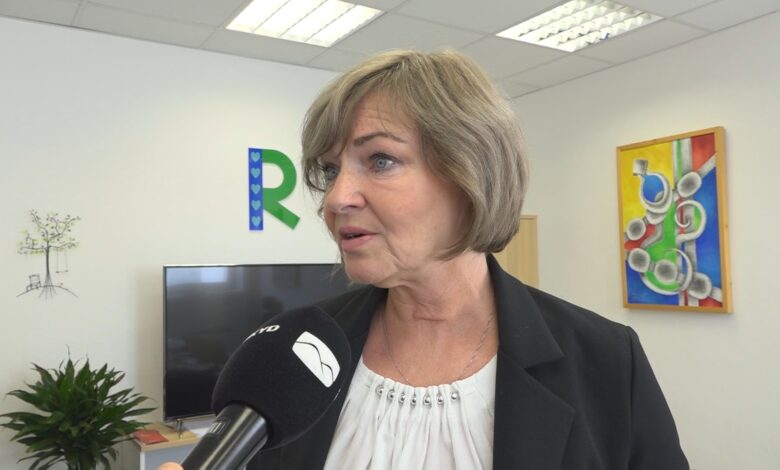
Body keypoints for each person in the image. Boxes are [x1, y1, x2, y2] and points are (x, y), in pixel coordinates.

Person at [162, 49, 688, 470]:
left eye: (380, 160)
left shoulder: (606, 361)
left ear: (470, 173)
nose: (336, 198)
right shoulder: (298, 355)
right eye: (330, 170)